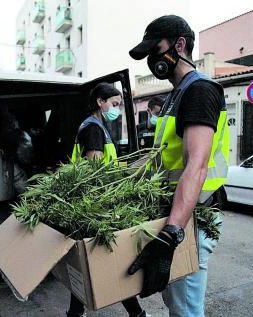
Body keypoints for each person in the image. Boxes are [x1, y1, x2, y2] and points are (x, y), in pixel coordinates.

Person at [127, 15, 230, 317]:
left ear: (179, 45)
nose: (151, 60)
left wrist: (172, 233)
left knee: (185, 310)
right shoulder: (177, 93)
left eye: (155, 50)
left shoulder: (199, 90)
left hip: (190, 220)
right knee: (176, 305)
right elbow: (162, 157)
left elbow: (196, 166)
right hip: (178, 214)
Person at [69, 82, 149, 317]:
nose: (117, 109)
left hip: (92, 201)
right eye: (114, 104)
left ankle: (75, 314)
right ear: (99, 102)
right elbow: (95, 172)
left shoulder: (95, 126)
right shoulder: (93, 129)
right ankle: (137, 314)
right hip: (98, 204)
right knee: (114, 260)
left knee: (94, 263)